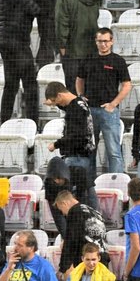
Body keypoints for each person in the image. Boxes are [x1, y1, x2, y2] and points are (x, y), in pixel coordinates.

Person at [77, 28, 131, 175]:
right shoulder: (88, 59)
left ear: (112, 41)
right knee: (89, 151)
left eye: (106, 41)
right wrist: (81, 97)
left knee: (113, 151)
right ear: (96, 42)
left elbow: (127, 85)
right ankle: (89, 186)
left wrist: (113, 104)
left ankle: (116, 183)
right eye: (100, 41)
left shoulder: (118, 61)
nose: (103, 44)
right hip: (89, 112)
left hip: (109, 111)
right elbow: (79, 79)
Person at [0, 0, 42, 123]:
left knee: (11, 85)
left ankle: (4, 122)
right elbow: (34, 9)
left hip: (5, 41)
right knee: (30, 84)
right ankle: (33, 123)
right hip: (17, 42)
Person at [44, 81, 97, 210]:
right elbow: (66, 106)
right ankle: (95, 217)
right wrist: (54, 103)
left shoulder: (75, 109)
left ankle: (84, 220)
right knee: (88, 190)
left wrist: (56, 144)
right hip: (84, 155)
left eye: (56, 101)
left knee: (77, 195)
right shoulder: (79, 103)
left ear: (60, 95)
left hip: (77, 157)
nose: (57, 105)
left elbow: (76, 135)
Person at [53, 0, 101, 91]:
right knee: (89, 86)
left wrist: (62, 46)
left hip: (72, 51)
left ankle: (76, 110)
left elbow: (61, 24)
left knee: (73, 88)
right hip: (91, 50)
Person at [53, 189, 107, 280]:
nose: (63, 213)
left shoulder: (74, 212)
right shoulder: (93, 211)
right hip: (101, 259)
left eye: (61, 210)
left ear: (64, 203)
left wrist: (63, 267)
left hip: (86, 262)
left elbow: (71, 241)